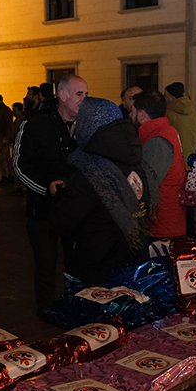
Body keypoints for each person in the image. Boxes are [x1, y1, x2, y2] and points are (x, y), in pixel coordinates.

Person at [52, 97, 157, 285]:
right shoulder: (136, 159)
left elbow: (65, 220)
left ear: (88, 124)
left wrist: (59, 195)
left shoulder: (90, 168)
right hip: (135, 258)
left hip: (99, 265)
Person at [14, 74, 87, 311]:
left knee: (75, 261)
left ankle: (74, 303)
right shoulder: (36, 124)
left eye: (86, 94)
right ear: (62, 95)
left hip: (73, 208)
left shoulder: (87, 124)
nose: (84, 99)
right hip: (42, 211)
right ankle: (46, 309)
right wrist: (46, 188)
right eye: (79, 94)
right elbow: (20, 165)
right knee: (45, 263)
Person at [130, 89, 186, 239]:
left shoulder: (157, 141)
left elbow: (148, 185)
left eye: (132, 111)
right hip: (170, 219)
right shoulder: (166, 131)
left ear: (141, 115)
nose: (130, 115)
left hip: (162, 224)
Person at [164, 82, 196, 160]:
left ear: (172, 97)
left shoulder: (168, 114)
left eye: (166, 95)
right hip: (193, 158)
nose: (164, 98)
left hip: (177, 159)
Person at [0, 93, 14, 186]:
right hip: (1, 137)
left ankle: (6, 176)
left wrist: (7, 136)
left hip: (4, 137)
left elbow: (8, 125)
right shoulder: (0, 110)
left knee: (2, 158)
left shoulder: (4, 111)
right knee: (6, 158)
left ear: (1, 101)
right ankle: (9, 176)